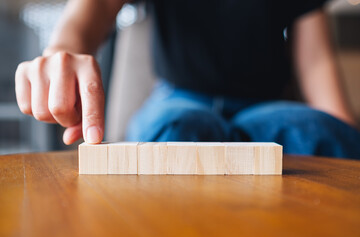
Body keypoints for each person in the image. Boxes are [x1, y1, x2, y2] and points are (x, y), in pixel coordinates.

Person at [15, 0, 360, 159]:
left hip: (264, 107)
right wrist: (60, 51)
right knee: (175, 129)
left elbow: (316, 60)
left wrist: (344, 138)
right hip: (181, 97)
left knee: (317, 134)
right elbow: (94, 9)